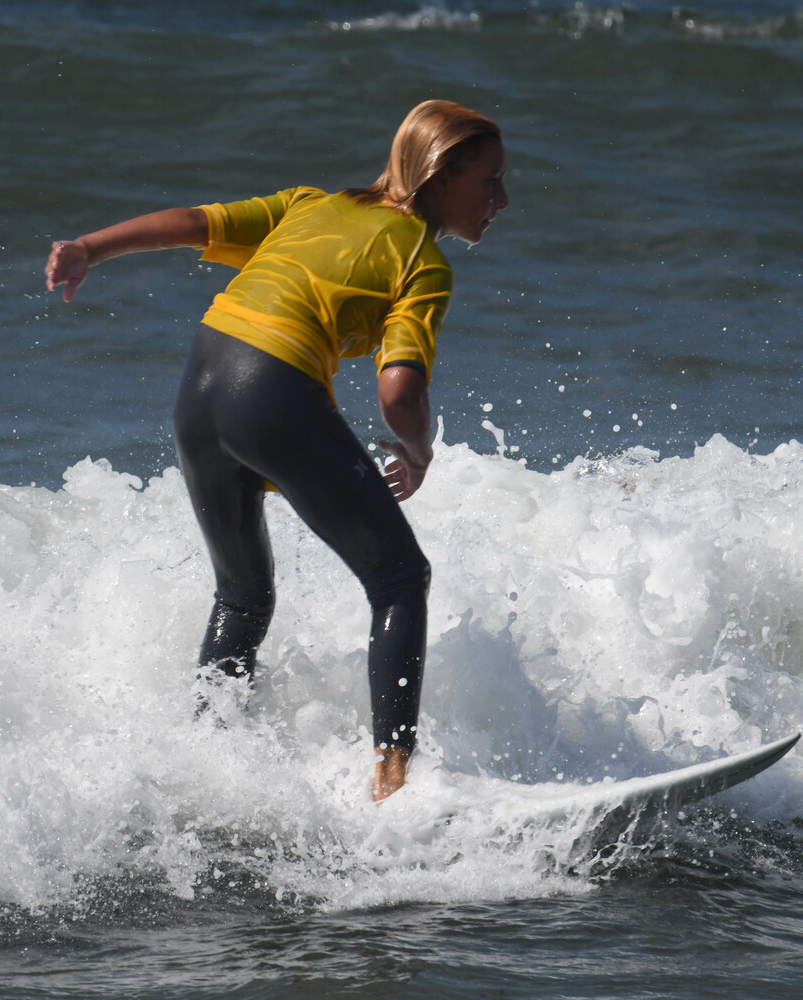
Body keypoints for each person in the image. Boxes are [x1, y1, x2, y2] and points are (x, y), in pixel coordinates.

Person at [45, 100, 507, 801]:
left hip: (200, 385)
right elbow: (399, 394)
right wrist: (419, 454)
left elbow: (196, 224)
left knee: (243, 595)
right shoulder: (423, 259)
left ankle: (202, 775)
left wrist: (89, 247)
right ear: (439, 179)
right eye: (491, 181)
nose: (502, 199)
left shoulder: (309, 206)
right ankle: (393, 779)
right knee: (398, 579)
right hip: (269, 389)